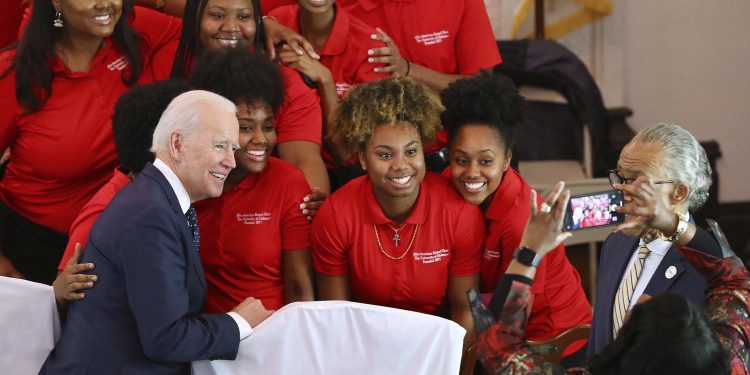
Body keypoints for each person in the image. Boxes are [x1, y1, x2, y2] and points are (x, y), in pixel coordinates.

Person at [40, 90, 274, 374]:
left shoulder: (160, 201)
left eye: (232, 149)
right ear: (177, 144)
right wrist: (238, 323)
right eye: (219, 146)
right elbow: (166, 339)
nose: (231, 162)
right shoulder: (150, 215)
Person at [474, 176, 747, 374]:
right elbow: (734, 281)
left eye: (639, 314)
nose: (643, 297)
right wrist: (672, 224)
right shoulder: (728, 363)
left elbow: (501, 350)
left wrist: (529, 249)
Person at [0, 0, 182, 284]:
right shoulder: (17, 72)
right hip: (29, 249)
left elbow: (193, 31)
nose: (105, 3)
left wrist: (263, 25)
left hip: (117, 239)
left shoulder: (134, 39)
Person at [311, 77, 485, 374]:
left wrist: (448, 368)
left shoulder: (458, 213)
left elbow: (465, 314)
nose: (401, 165)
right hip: (364, 354)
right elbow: (336, 318)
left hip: (437, 353)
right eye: (385, 154)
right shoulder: (336, 214)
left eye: (411, 151)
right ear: (363, 159)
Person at [440, 72, 592, 365]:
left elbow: (511, 329)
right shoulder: (448, 183)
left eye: (486, 161)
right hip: (489, 323)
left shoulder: (520, 218)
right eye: (461, 160)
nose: (472, 172)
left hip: (553, 345)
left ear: (507, 159)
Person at [151, 0, 331, 195]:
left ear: (257, 22)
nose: (231, 27)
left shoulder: (286, 81)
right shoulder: (169, 60)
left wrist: (311, 201)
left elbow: (303, 161)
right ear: (195, 19)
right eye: (217, 15)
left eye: (244, 17)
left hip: (258, 205)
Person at [190, 48, 314, 312]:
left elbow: (300, 289)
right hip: (204, 337)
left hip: (272, 334)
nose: (261, 139)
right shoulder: (190, 182)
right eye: (246, 127)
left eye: (268, 126)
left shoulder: (288, 182)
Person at [53, 78, 194, 307]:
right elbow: (64, 293)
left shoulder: (171, 192)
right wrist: (58, 290)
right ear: (173, 145)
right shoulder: (103, 214)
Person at [587, 123, 710, 356]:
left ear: (679, 193)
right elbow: (598, 346)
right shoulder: (615, 243)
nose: (622, 190)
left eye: (638, 182)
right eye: (621, 176)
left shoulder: (707, 270)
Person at [269, 0, 387, 167]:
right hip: (280, 164)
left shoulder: (369, 47)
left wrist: (325, 80)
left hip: (344, 175)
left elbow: (346, 153)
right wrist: (266, 24)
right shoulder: (275, 21)